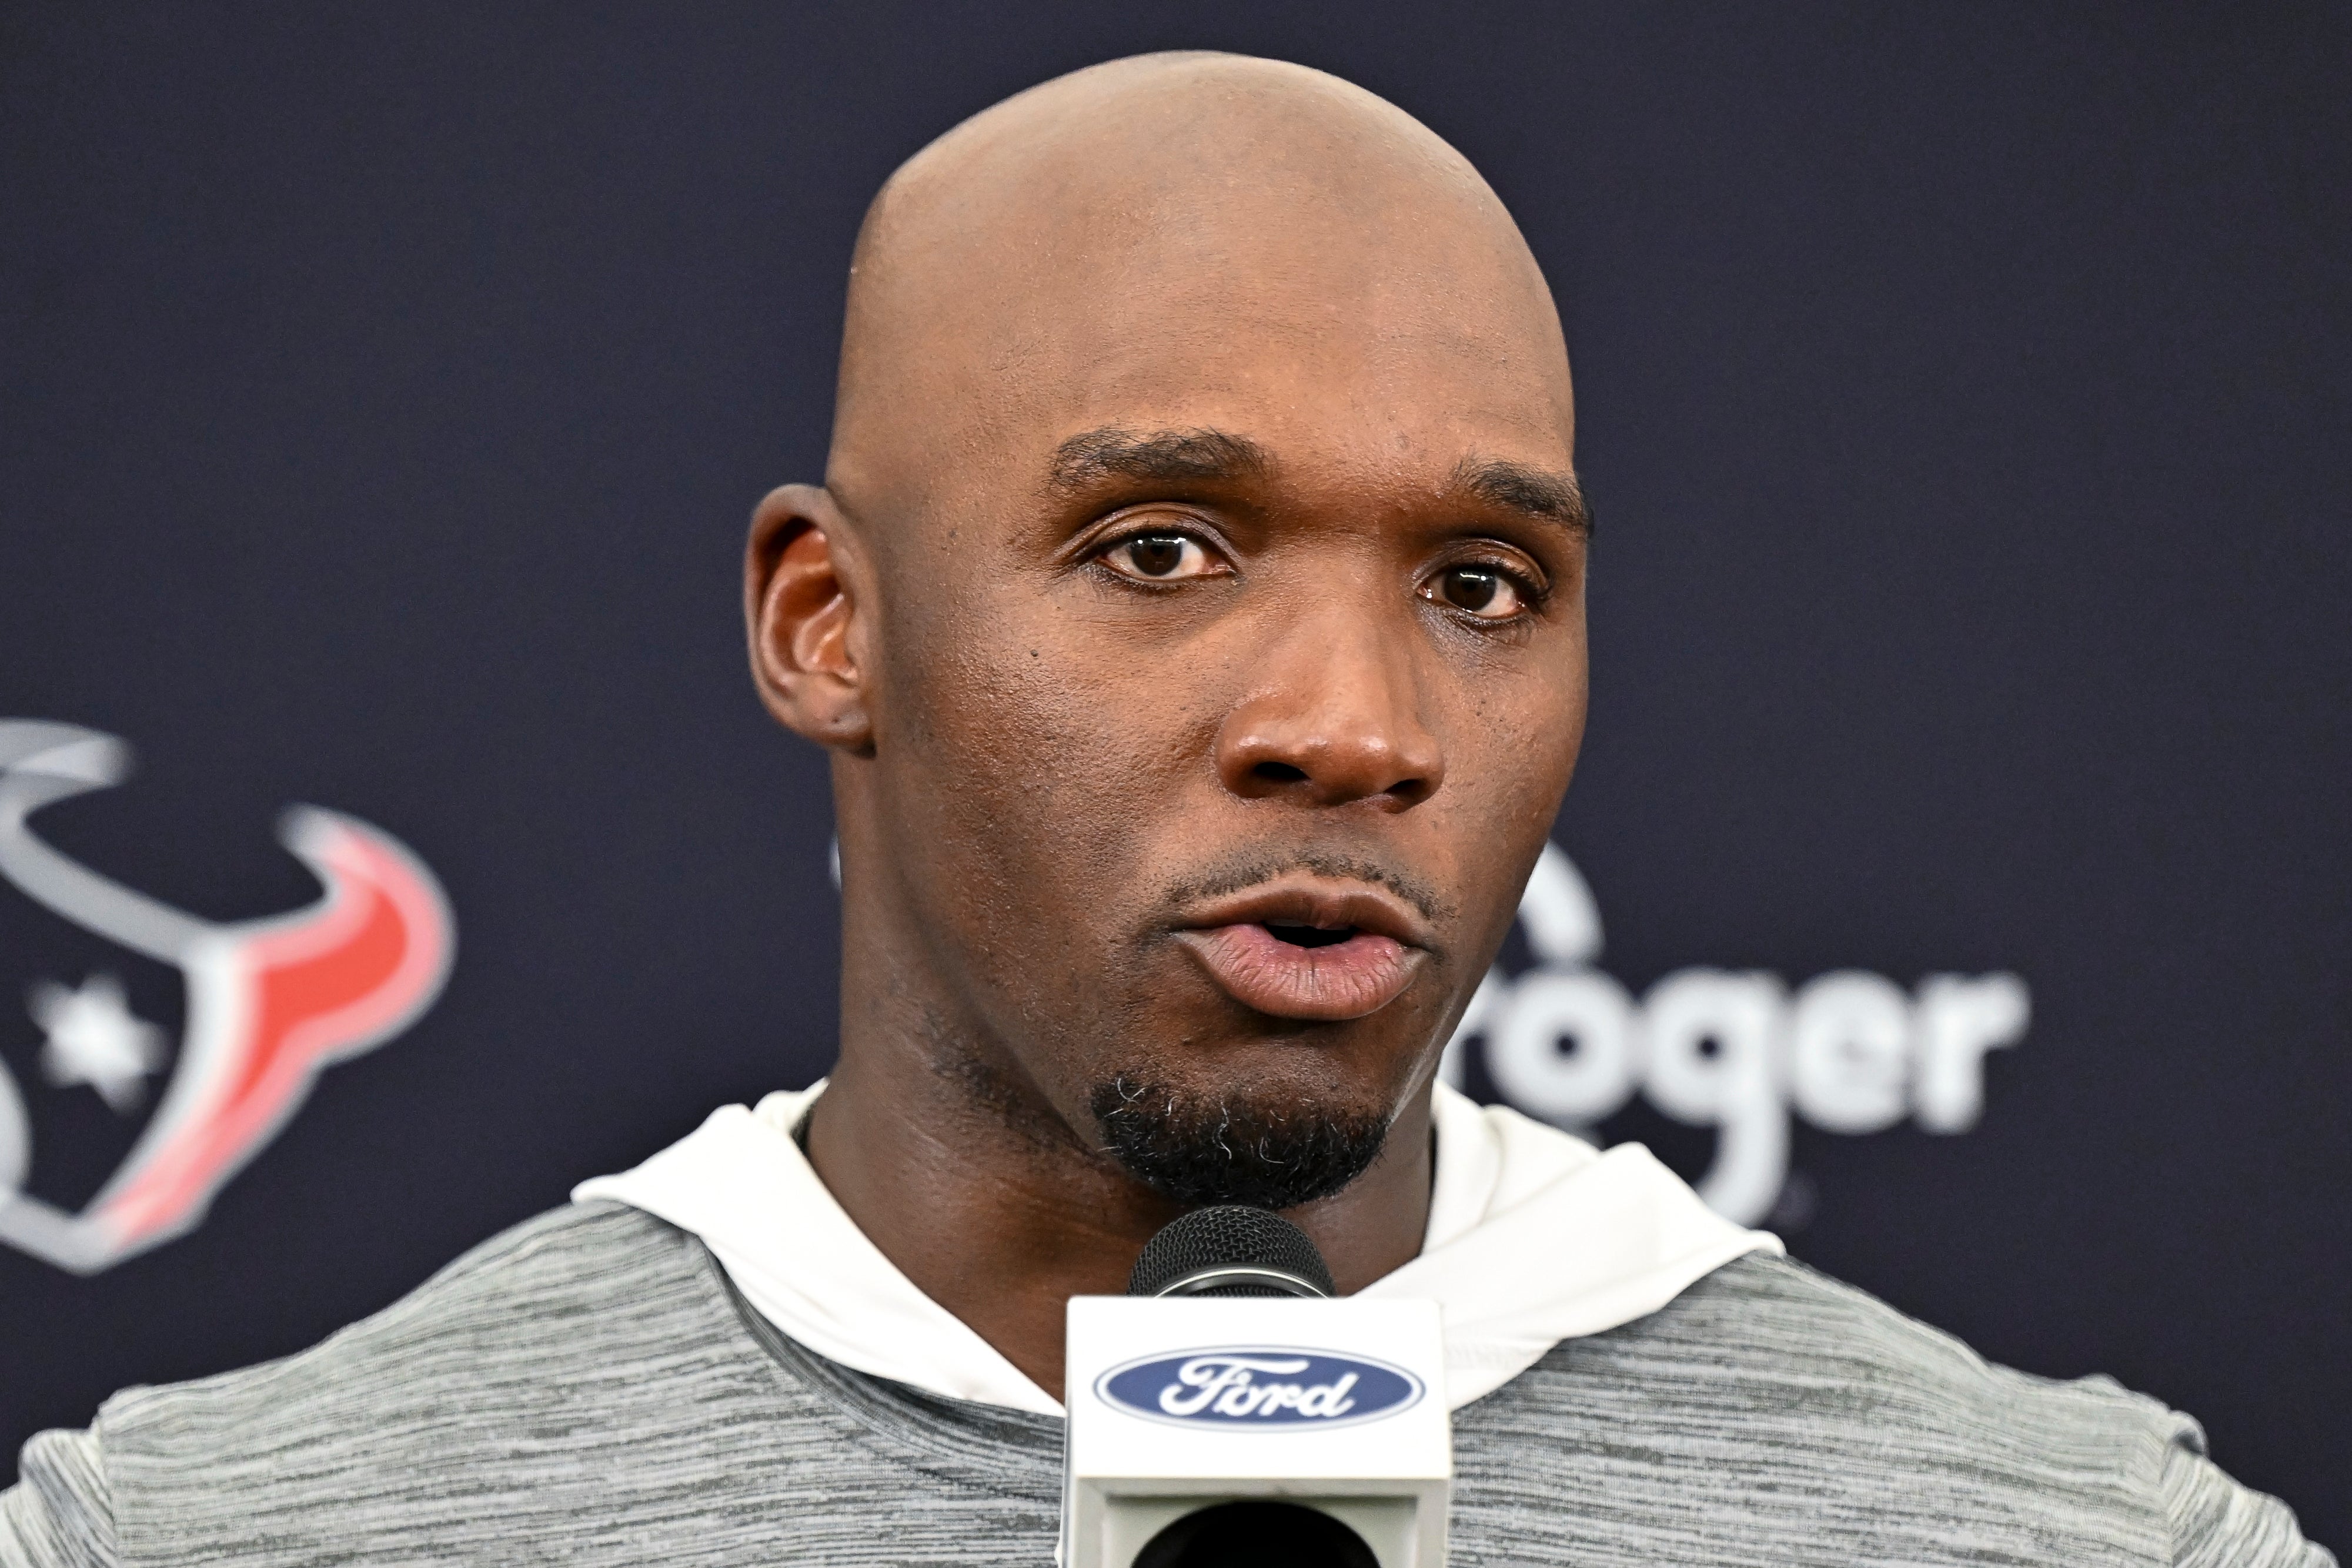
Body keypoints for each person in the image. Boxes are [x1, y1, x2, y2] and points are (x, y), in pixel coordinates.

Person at [0, 51, 2327, 1568]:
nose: (1353, 721)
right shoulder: (210, 1544)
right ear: (832, 623)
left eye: (1483, 580)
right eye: (1163, 552)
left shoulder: (2073, 1546)